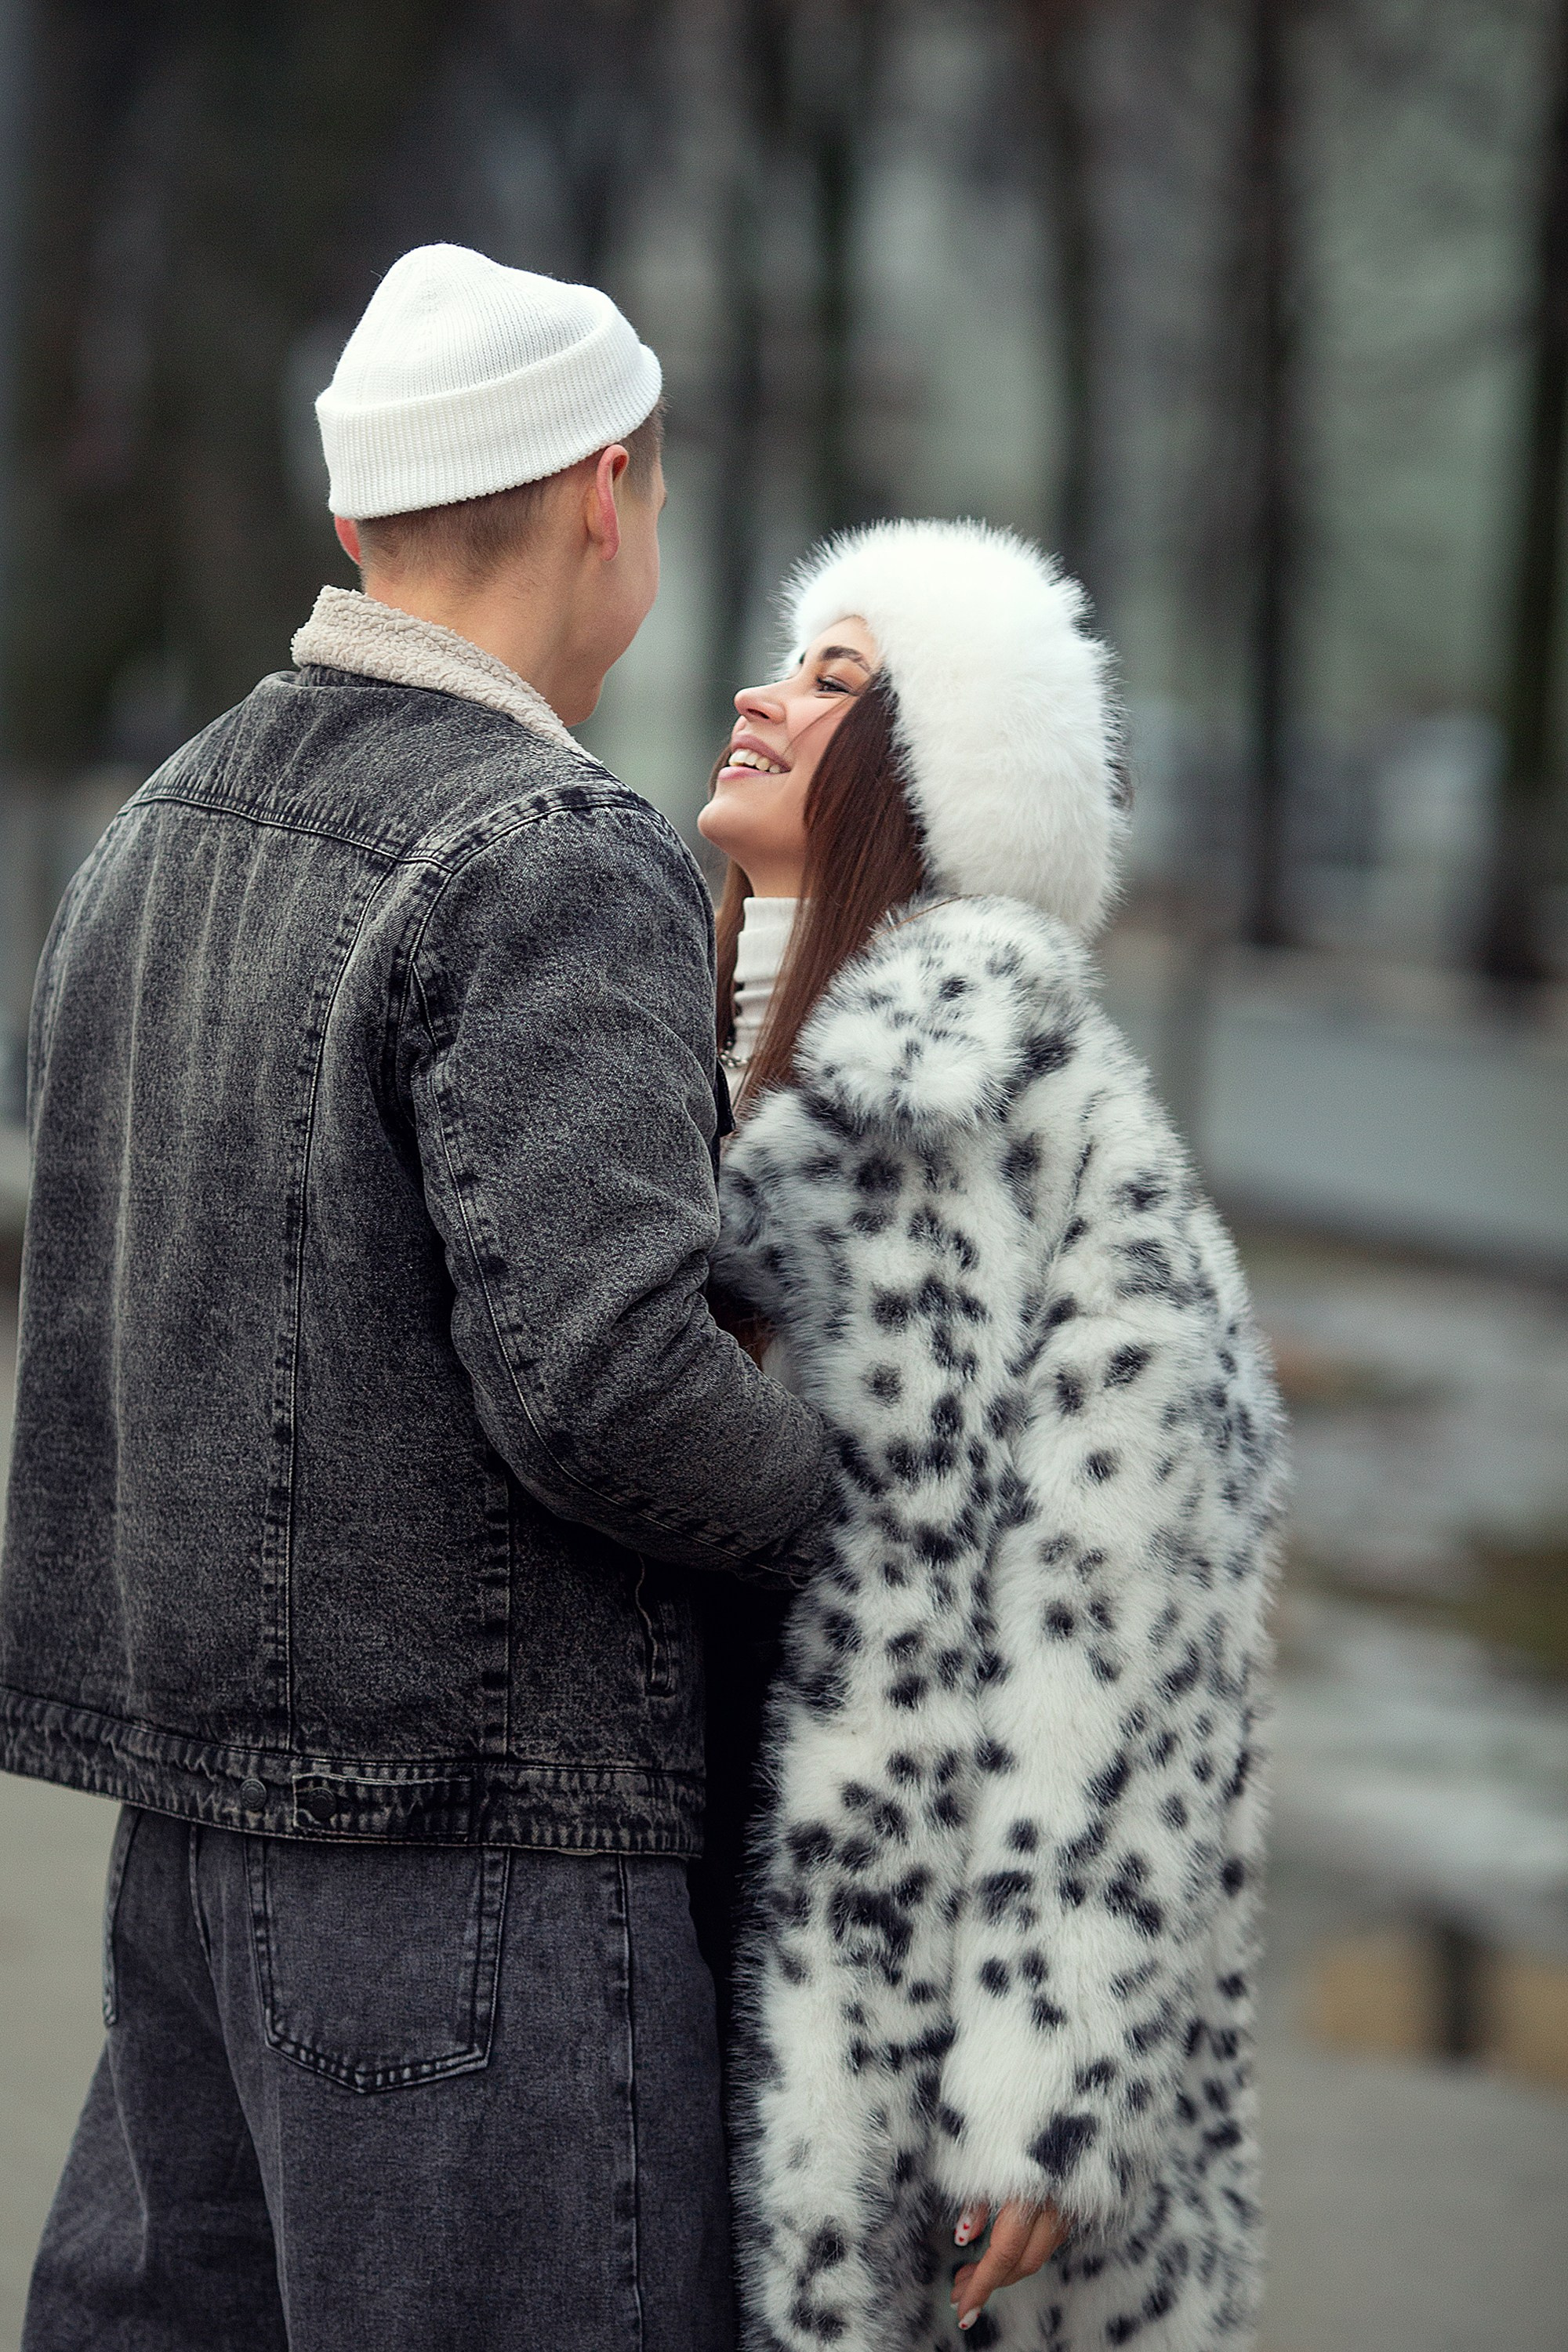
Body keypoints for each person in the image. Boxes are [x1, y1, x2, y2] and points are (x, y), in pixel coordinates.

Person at [0, 244, 833, 2352]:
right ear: (603, 488)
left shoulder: (150, 837)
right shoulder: (550, 849)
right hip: (486, 1871)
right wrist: (868, 1491)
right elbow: (609, 1383)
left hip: (188, 1856)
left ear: (356, 519)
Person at [697, 520, 1287, 2351]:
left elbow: (1132, 1632)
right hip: (691, 1938)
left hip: (926, 2025)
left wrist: (1040, 2074)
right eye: (792, 664)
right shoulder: (672, 1065)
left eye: (834, 682)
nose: (762, 697)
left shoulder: (1043, 1132)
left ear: (928, 782)